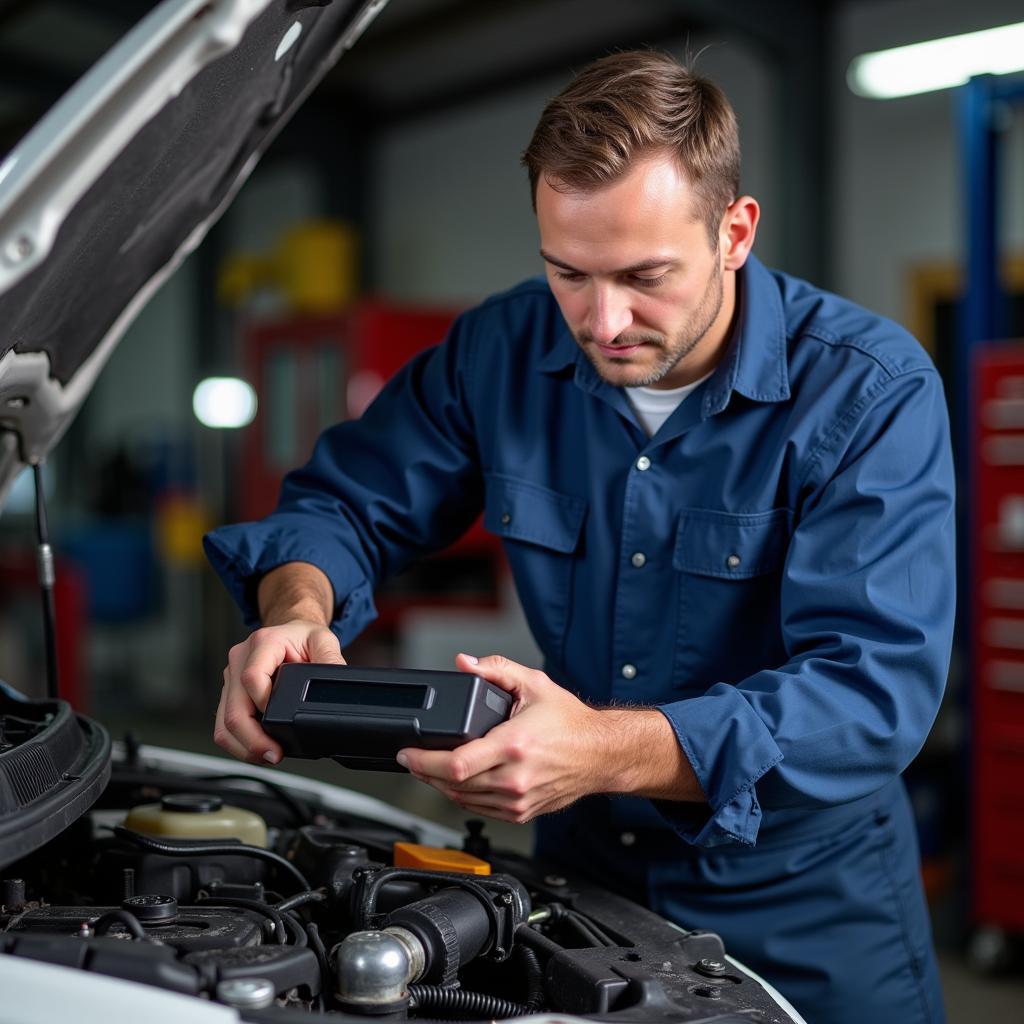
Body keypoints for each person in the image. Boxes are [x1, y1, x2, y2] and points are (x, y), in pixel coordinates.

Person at [204, 50, 955, 1023]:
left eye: (645, 277)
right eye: (568, 273)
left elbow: (868, 689)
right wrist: (293, 608)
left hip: (804, 904)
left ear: (734, 231)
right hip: (577, 886)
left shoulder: (867, 389)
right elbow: (342, 504)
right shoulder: (499, 349)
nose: (603, 322)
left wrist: (604, 749)